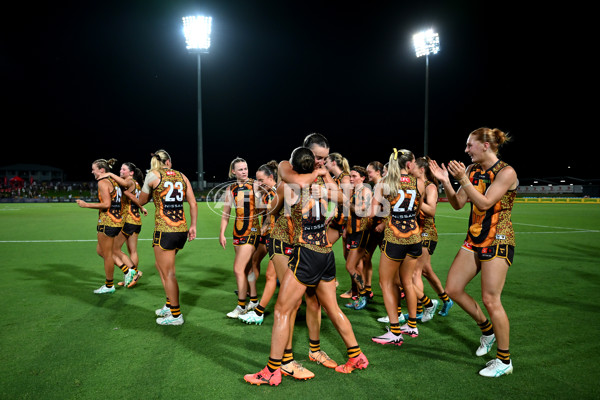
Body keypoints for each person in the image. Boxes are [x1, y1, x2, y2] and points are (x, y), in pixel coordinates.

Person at [244, 147, 368, 386]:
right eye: (318, 159)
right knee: (331, 307)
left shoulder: (292, 186)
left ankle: (273, 369)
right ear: (312, 162)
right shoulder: (319, 184)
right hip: (325, 252)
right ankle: (356, 355)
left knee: (282, 309)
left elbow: (274, 207)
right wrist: (324, 178)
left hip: (306, 253)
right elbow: (347, 199)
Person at [429, 127, 517, 377]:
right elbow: (458, 204)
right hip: (474, 238)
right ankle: (486, 330)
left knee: (491, 299)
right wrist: (447, 181)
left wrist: (463, 179)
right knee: (453, 288)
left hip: (499, 239)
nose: (466, 150)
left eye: (470, 145)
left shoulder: (506, 172)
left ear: (485, 146)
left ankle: (504, 360)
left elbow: (486, 203)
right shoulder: (471, 170)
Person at [124, 150, 197, 325]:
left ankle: (176, 315)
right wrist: (193, 225)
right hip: (181, 230)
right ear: (169, 162)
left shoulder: (152, 175)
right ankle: (169, 304)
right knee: (161, 266)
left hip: (165, 230)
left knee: (168, 272)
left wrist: (129, 193)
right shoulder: (182, 176)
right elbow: (193, 203)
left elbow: (141, 201)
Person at [371, 149, 424, 346]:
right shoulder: (419, 183)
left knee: (386, 283)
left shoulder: (385, 183)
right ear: (409, 165)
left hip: (395, 239)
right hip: (414, 237)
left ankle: (394, 331)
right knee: (407, 282)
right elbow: (417, 211)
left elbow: (372, 211)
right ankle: (411, 324)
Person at [77, 158, 137, 294]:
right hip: (117, 220)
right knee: (101, 251)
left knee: (108, 254)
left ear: (102, 170)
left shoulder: (103, 182)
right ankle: (128, 271)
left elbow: (106, 204)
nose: (92, 171)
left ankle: (110, 285)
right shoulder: (114, 181)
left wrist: (86, 205)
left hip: (107, 221)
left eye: (94, 169)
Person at [411, 156, 453, 321]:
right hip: (417, 232)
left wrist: (415, 201)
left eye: (413, 166)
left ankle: (420, 310)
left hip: (427, 232)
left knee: (416, 272)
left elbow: (431, 210)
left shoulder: (430, 187)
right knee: (426, 271)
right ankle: (446, 300)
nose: (410, 168)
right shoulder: (416, 185)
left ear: (421, 169)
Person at [220, 158, 261, 318]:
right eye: (241, 169)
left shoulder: (256, 185)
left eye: (246, 168)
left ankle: (241, 305)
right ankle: (255, 300)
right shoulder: (231, 189)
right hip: (237, 232)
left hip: (251, 231)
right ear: (234, 172)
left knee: (238, 269)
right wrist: (221, 233)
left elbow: (265, 206)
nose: (244, 171)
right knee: (247, 268)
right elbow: (225, 214)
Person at [239, 161, 279, 325]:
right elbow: (264, 211)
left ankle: (258, 311)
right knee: (255, 261)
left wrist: (265, 225)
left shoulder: (278, 192)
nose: (259, 183)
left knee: (271, 275)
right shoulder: (268, 192)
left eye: (261, 180)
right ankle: (254, 296)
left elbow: (274, 214)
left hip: (280, 238)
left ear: (271, 177)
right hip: (271, 236)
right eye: (257, 180)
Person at [109, 162, 146, 288]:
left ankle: (133, 273)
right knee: (132, 251)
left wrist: (109, 173)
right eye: (120, 168)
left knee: (113, 249)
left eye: (124, 169)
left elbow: (124, 185)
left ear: (131, 173)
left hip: (128, 221)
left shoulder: (129, 182)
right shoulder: (136, 184)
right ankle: (131, 279)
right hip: (136, 221)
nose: (121, 171)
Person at [343, 165, 372, 310]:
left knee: (350, 266)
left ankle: (363, 296)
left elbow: (363, 211)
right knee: (355, 265)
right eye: (351, 176)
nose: (351, 179)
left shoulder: (365, 190)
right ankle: (364, 293)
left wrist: (347, 203)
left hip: (361, 233)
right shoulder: (354, 191)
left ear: (363, 178)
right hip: (352, 232)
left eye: (354, 176)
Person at [362, 161, 385, 301]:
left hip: (382, 229)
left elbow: (390, 207)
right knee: (365, 257)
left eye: (369, 171)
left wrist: (383, 223)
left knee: (389, 264)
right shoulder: (375, 186)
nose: (367, 174)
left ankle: (400, 290)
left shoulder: (383, 185)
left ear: (378, 172)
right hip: (374, 228)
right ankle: (368, 289)